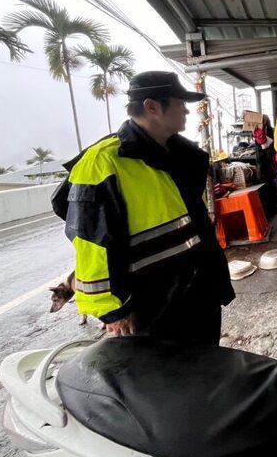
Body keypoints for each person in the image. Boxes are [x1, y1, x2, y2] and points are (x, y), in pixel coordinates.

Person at [52, 71, 234, 345]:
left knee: (206, 373)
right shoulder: (103, 162)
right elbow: (91, 246)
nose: (186, 109)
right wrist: (114, 310)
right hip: (149, 309)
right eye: (179, 102)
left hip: (198, 293)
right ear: (152, 107)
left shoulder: (182, 156)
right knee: (167, 383)